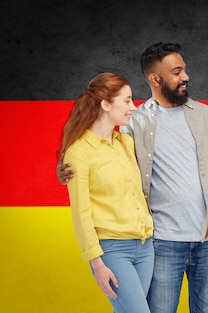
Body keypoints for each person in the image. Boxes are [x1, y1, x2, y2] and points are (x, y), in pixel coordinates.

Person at [57, 43, 208, 313]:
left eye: (184, 70)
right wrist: (66, 168)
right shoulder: (132, 124)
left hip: (201, 239)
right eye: (177, 72)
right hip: (159, 241)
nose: (185, 76)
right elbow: (91, 172)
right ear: (155, 78)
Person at [60, 72, 154, 313]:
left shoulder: (125, 143)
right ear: (105, 104)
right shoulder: (78, 153)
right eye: (127, 100)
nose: (133, 107)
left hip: (145, 247)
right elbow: (81, 214)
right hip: (112, 250)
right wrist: (97, 263)